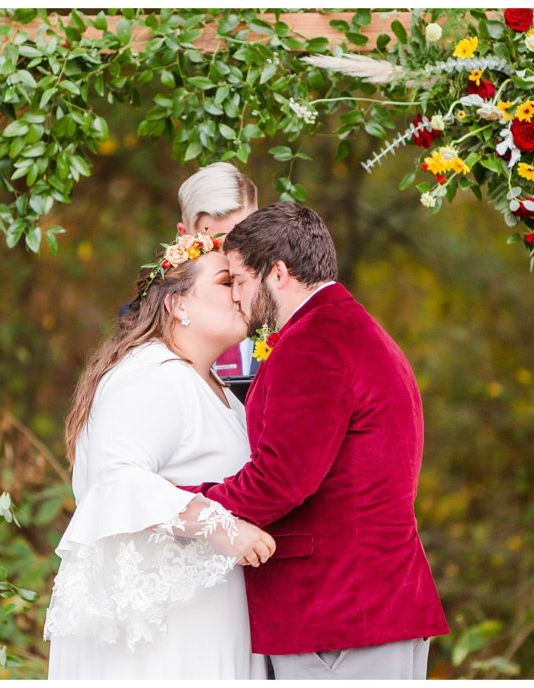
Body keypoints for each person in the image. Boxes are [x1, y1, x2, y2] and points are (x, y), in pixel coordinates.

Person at [185, 202, 450, 679]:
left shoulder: (314, 344)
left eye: (241, 281)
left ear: (279, 273)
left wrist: (184, 505)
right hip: (363, 605)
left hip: (340, 610)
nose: (238, 299)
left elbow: (280, 479)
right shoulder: (345, 327)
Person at [43, 231, 273, 679]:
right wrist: (223, 528)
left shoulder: (217, 390)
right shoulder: (151, 376)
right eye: (226, 282)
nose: (242, 293)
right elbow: (118, 479)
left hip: (208, 614)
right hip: (165, 632)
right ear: (177, 304)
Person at [176, 162, 259, 378]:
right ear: (185, 238)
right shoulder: (148, 322)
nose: (230, 261)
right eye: (213, 247)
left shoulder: (286, 310)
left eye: (241, 243)